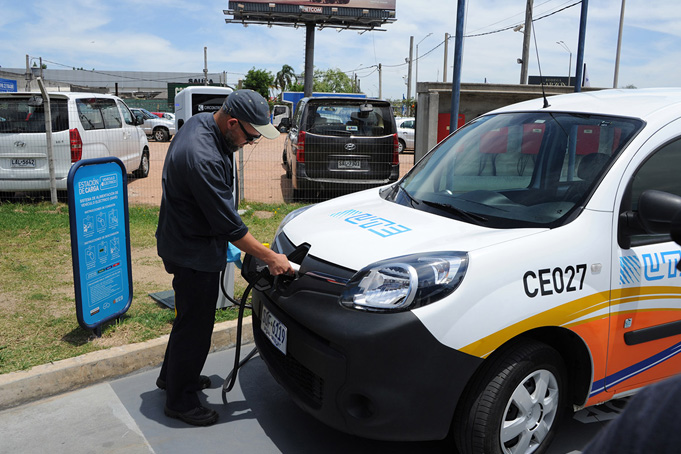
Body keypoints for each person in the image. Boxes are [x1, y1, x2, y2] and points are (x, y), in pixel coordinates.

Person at [155, 89, 293, 426]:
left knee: (188, 317)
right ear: (232, 122)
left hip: (184, 239)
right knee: (197, 325)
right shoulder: (202, 157)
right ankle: (181, 400)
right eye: (250, 136)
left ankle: (170, 377)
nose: (250, 143)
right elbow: (231, 227)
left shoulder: (203, 122)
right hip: (192, 252)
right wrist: (271, 258)